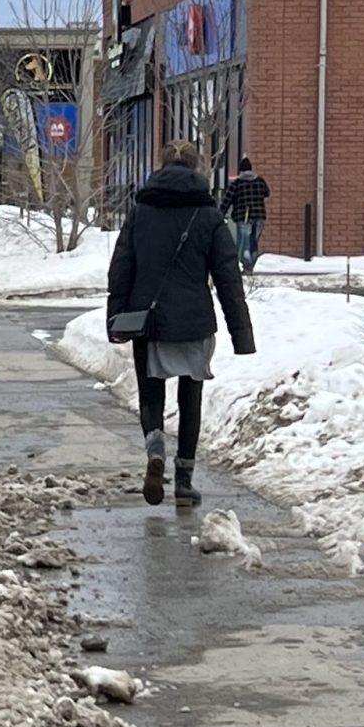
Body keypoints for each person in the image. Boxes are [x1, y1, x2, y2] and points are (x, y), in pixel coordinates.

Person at [108, 139, 255, 509]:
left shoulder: (141, 211)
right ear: (197, 168)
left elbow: (121, 267)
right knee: (191, 399)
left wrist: (115, 317)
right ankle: (185, 483)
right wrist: (242, 333)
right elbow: (227, 277)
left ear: (160, 166)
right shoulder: (208, 215)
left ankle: (155, 447)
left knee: (151, 394)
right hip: (194, 322)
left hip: (150, 322)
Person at [217, 157, 270, 274]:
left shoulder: (237, 183)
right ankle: (252, 261)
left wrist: (219, 214)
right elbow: (267, 193)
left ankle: (247, 266)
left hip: (243, 216)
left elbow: (227, 200)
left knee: (244, 242)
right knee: (254, 241)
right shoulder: (260, 181)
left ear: (240, 171)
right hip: (259, 216)